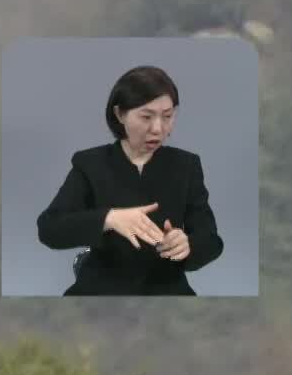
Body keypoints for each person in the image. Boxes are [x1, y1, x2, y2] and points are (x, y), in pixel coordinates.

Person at [35, 64, 224, 294]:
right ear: (119, 114)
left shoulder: (186, 166)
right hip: (100, 291)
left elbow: (212, 241)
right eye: (146, 116)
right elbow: (49, 228)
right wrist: (109, 218)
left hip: (166, 291)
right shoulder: (90, 164)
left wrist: (187, 245)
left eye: (168, 116)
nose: (158, 128)